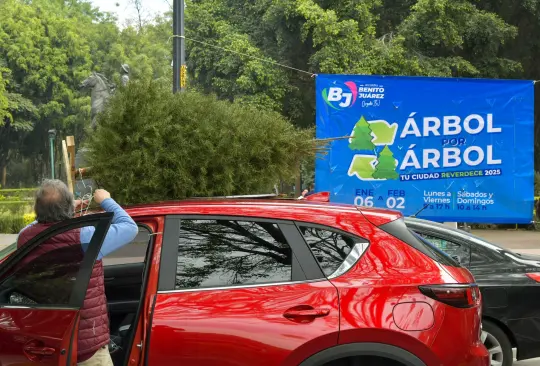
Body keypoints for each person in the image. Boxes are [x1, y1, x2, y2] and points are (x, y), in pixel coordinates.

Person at [17, 179, 138, 366]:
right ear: (67, 207)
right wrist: (106, 200)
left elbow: (36, 224)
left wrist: (62, 208)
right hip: (87, 347)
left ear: (37, 208)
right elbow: (130, 227)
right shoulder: (86, 236)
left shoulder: (25, 237)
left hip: (48, 342)